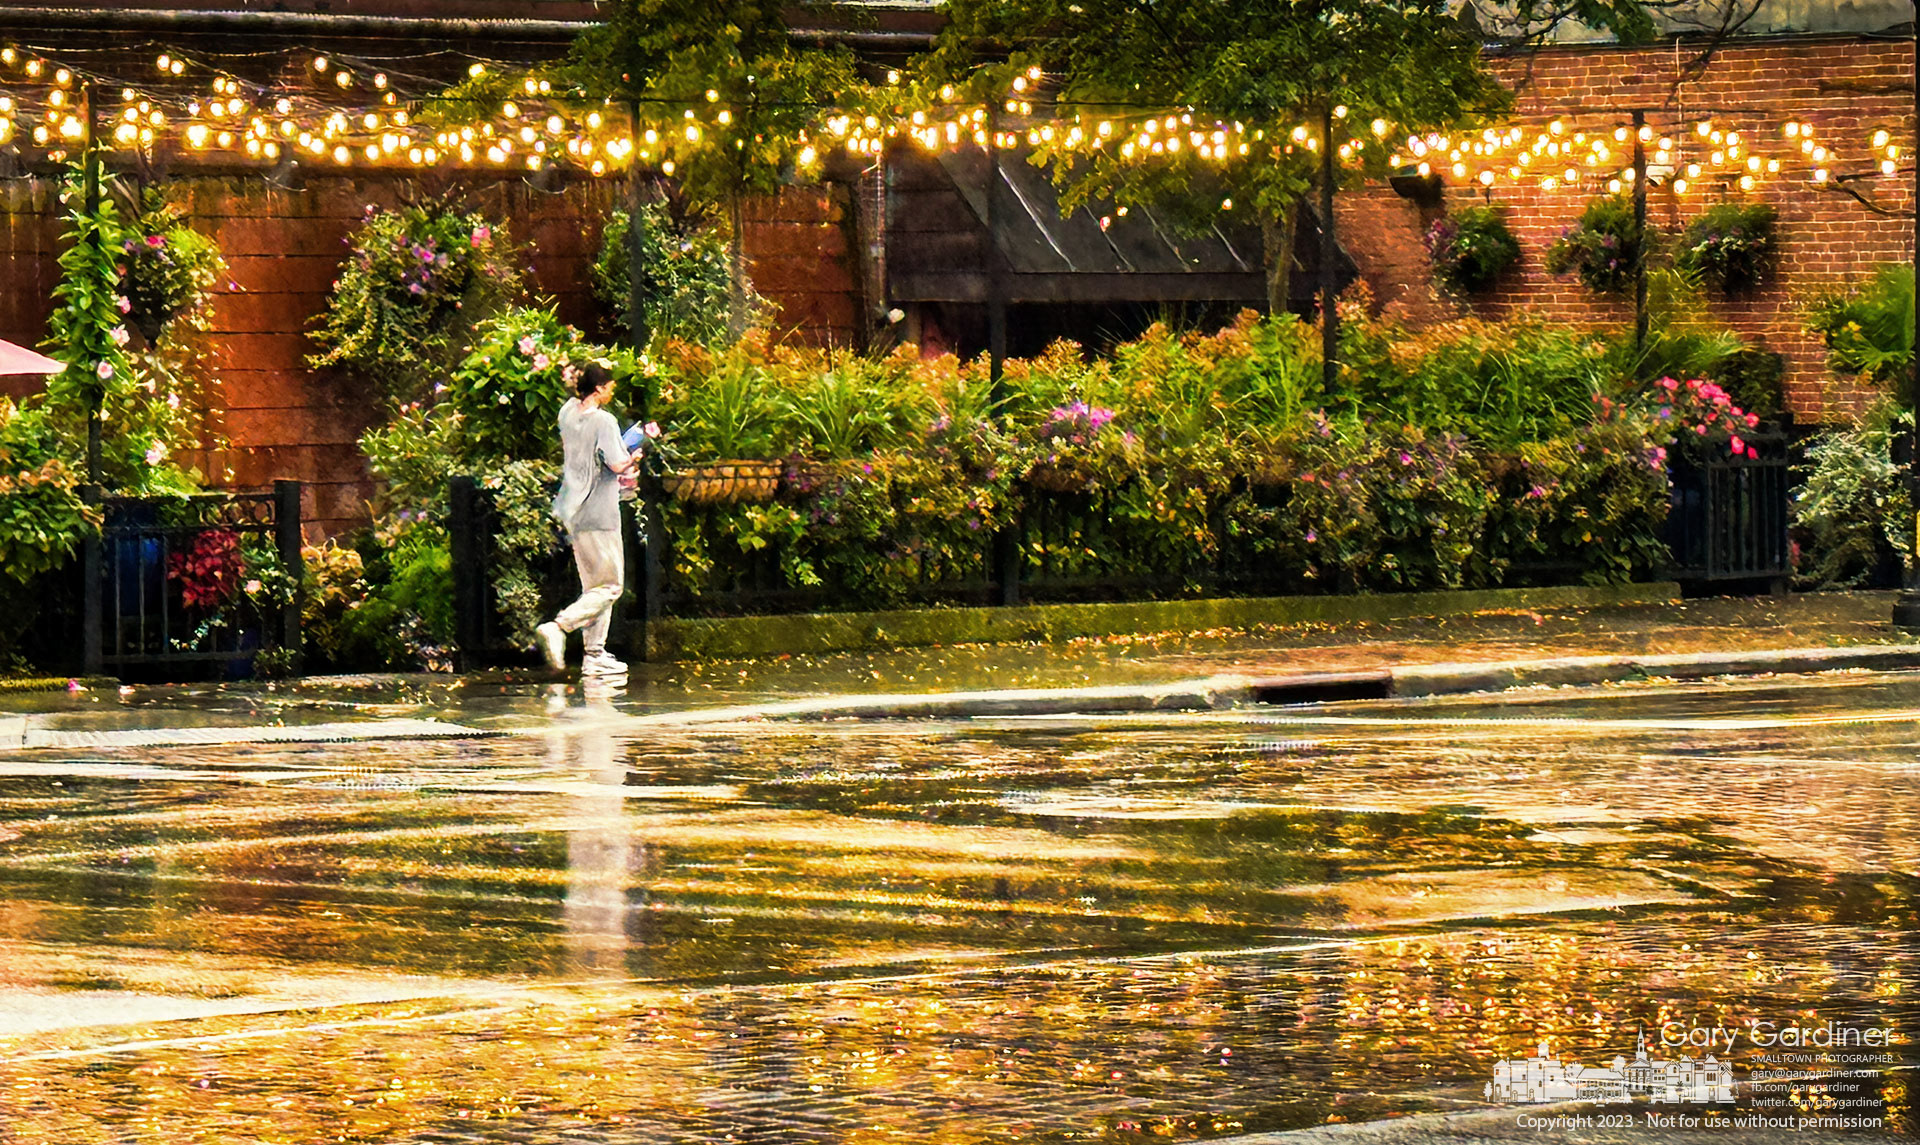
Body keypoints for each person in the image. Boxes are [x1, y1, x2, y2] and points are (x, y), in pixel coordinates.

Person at [536, 361, 642, 676]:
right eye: (609, 386)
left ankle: (594, 654)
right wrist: (633, 455)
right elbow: (619, 464)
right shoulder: (605, 422)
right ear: (598, 388)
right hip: (599, 510)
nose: (612, 391)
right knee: (610, 586)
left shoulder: (567, 413)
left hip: (574, 509)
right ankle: (559, 627)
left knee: (593, 586)